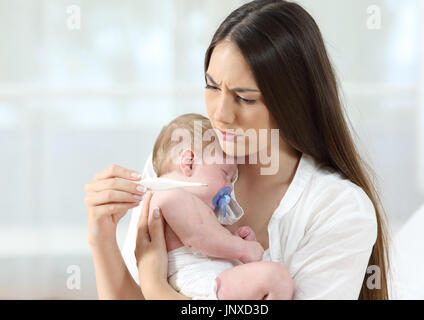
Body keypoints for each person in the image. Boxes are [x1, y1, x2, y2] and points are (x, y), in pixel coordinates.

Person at [85, 0, 390, 300]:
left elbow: (149, 291)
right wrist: (101, 238)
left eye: (244, 98)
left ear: (294, 102)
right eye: (213, 87)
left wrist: (156, 288)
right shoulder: (184, 163)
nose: (221, 114)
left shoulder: (338, 209)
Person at [146, 113, 294, 299]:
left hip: (212, 278)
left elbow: (206, 238)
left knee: (274, 280)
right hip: (200, 280)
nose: (230, 187)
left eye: (232, 180)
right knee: (276, 278)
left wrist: (234, 241)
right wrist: (242, 248)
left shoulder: (194, 204)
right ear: (189, 163)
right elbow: (198, 237)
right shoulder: (170, 195)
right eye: (225, 173)